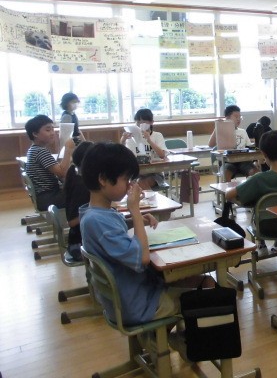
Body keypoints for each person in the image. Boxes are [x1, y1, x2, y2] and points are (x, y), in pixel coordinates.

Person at [79, 142, 214, 347]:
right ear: (103, 179)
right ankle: (183, 344)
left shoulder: (92, 214)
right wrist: (134, 210)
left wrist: (135, 221)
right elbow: (142, 258)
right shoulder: (98, 222)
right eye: (126, 180)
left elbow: (113, 232)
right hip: (137, 304)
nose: (130, 186)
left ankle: (158, 340)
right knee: (207, 283)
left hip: (126, 297)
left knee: (190, 278)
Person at [225, 130, 277, 256]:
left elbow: (228, 195)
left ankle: (262, 245)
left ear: (263, 154)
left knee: (258, 207)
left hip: (266, 228)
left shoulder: (259, 179)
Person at [25, 114, 76, 211]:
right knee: (85, 192)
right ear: (35, 133)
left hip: (45, 196)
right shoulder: (40, 152)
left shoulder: (34, 149)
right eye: (48, 130)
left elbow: (60, 172)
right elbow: (62, 173)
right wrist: (68, 149)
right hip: (49, 197)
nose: (52, 133)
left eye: (53, 129)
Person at [208, 105, 259, 182]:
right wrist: (217, 127)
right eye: (236, 117)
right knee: (225, 174)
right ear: (227, 118)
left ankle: (250, 188)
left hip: (244, 161)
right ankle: (227, 190)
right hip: (228, 162)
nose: (238, 119)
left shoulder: (242, 131)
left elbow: (249, 146)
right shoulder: (221, 131)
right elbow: (210, 145)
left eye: (240, 117)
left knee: (255, 172)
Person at [121, 108, 168, 190]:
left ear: (151, 122)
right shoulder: (131, 137)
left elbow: (162, 155)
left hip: (155, 173)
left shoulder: (157, 135)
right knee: (127, 184)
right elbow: (122, 155)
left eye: (143, 122)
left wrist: (149, 140)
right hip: (137, 173)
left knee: (139, 185)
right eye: (138, 122)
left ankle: (139, 197)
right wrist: (123, 140)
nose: (140, 125)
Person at [63, 141, 93, 262]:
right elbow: (72, 222)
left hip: (82, 240)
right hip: (80, 244)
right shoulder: (81, 186)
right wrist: (97, 210)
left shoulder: (74, 170)